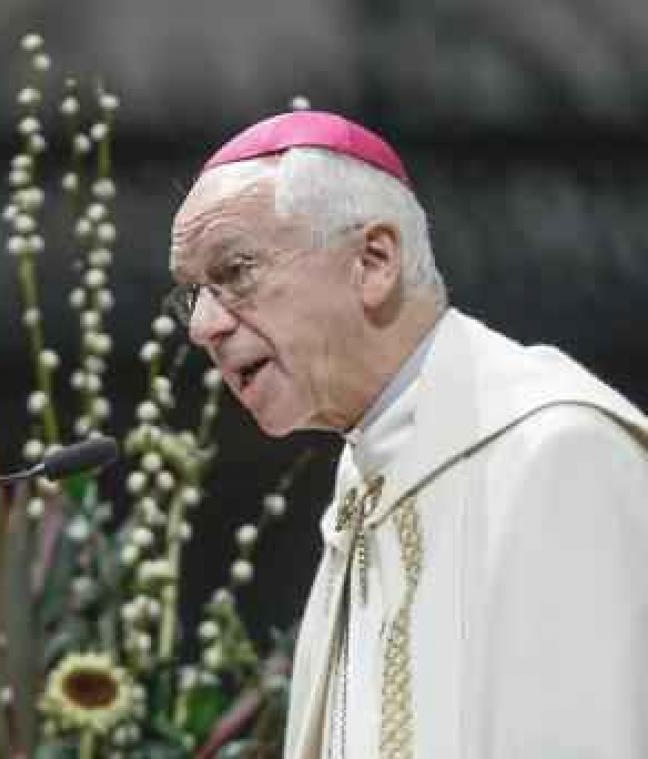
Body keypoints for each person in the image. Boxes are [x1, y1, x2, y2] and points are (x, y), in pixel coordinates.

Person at [167, 110, 648, 759]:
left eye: (236, 270)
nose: (202, 326)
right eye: (192, 293)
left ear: (373, 260)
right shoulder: (364, 486)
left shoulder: (556, 453)